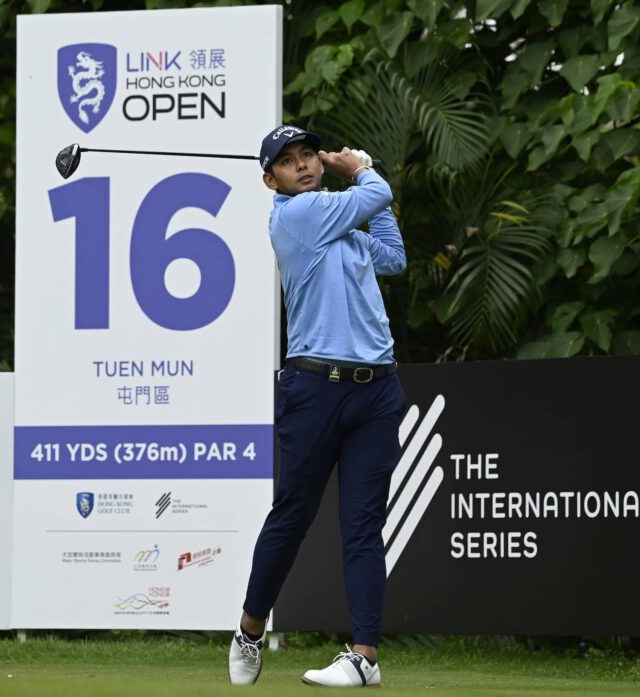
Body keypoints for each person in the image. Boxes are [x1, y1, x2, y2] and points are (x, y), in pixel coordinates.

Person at [227, 125, 408, 688]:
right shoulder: (297, 217)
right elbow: (377, 193)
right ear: (271, 181)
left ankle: (364, 657)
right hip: (315, 389)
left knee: (363, 525)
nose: (303, 165)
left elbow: (393, 257)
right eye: (288, 161)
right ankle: (250, 629)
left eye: (309, 155)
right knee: (293, 515)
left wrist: (364, 185)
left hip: (376, 389)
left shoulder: (340, 223)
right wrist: (362, 169)